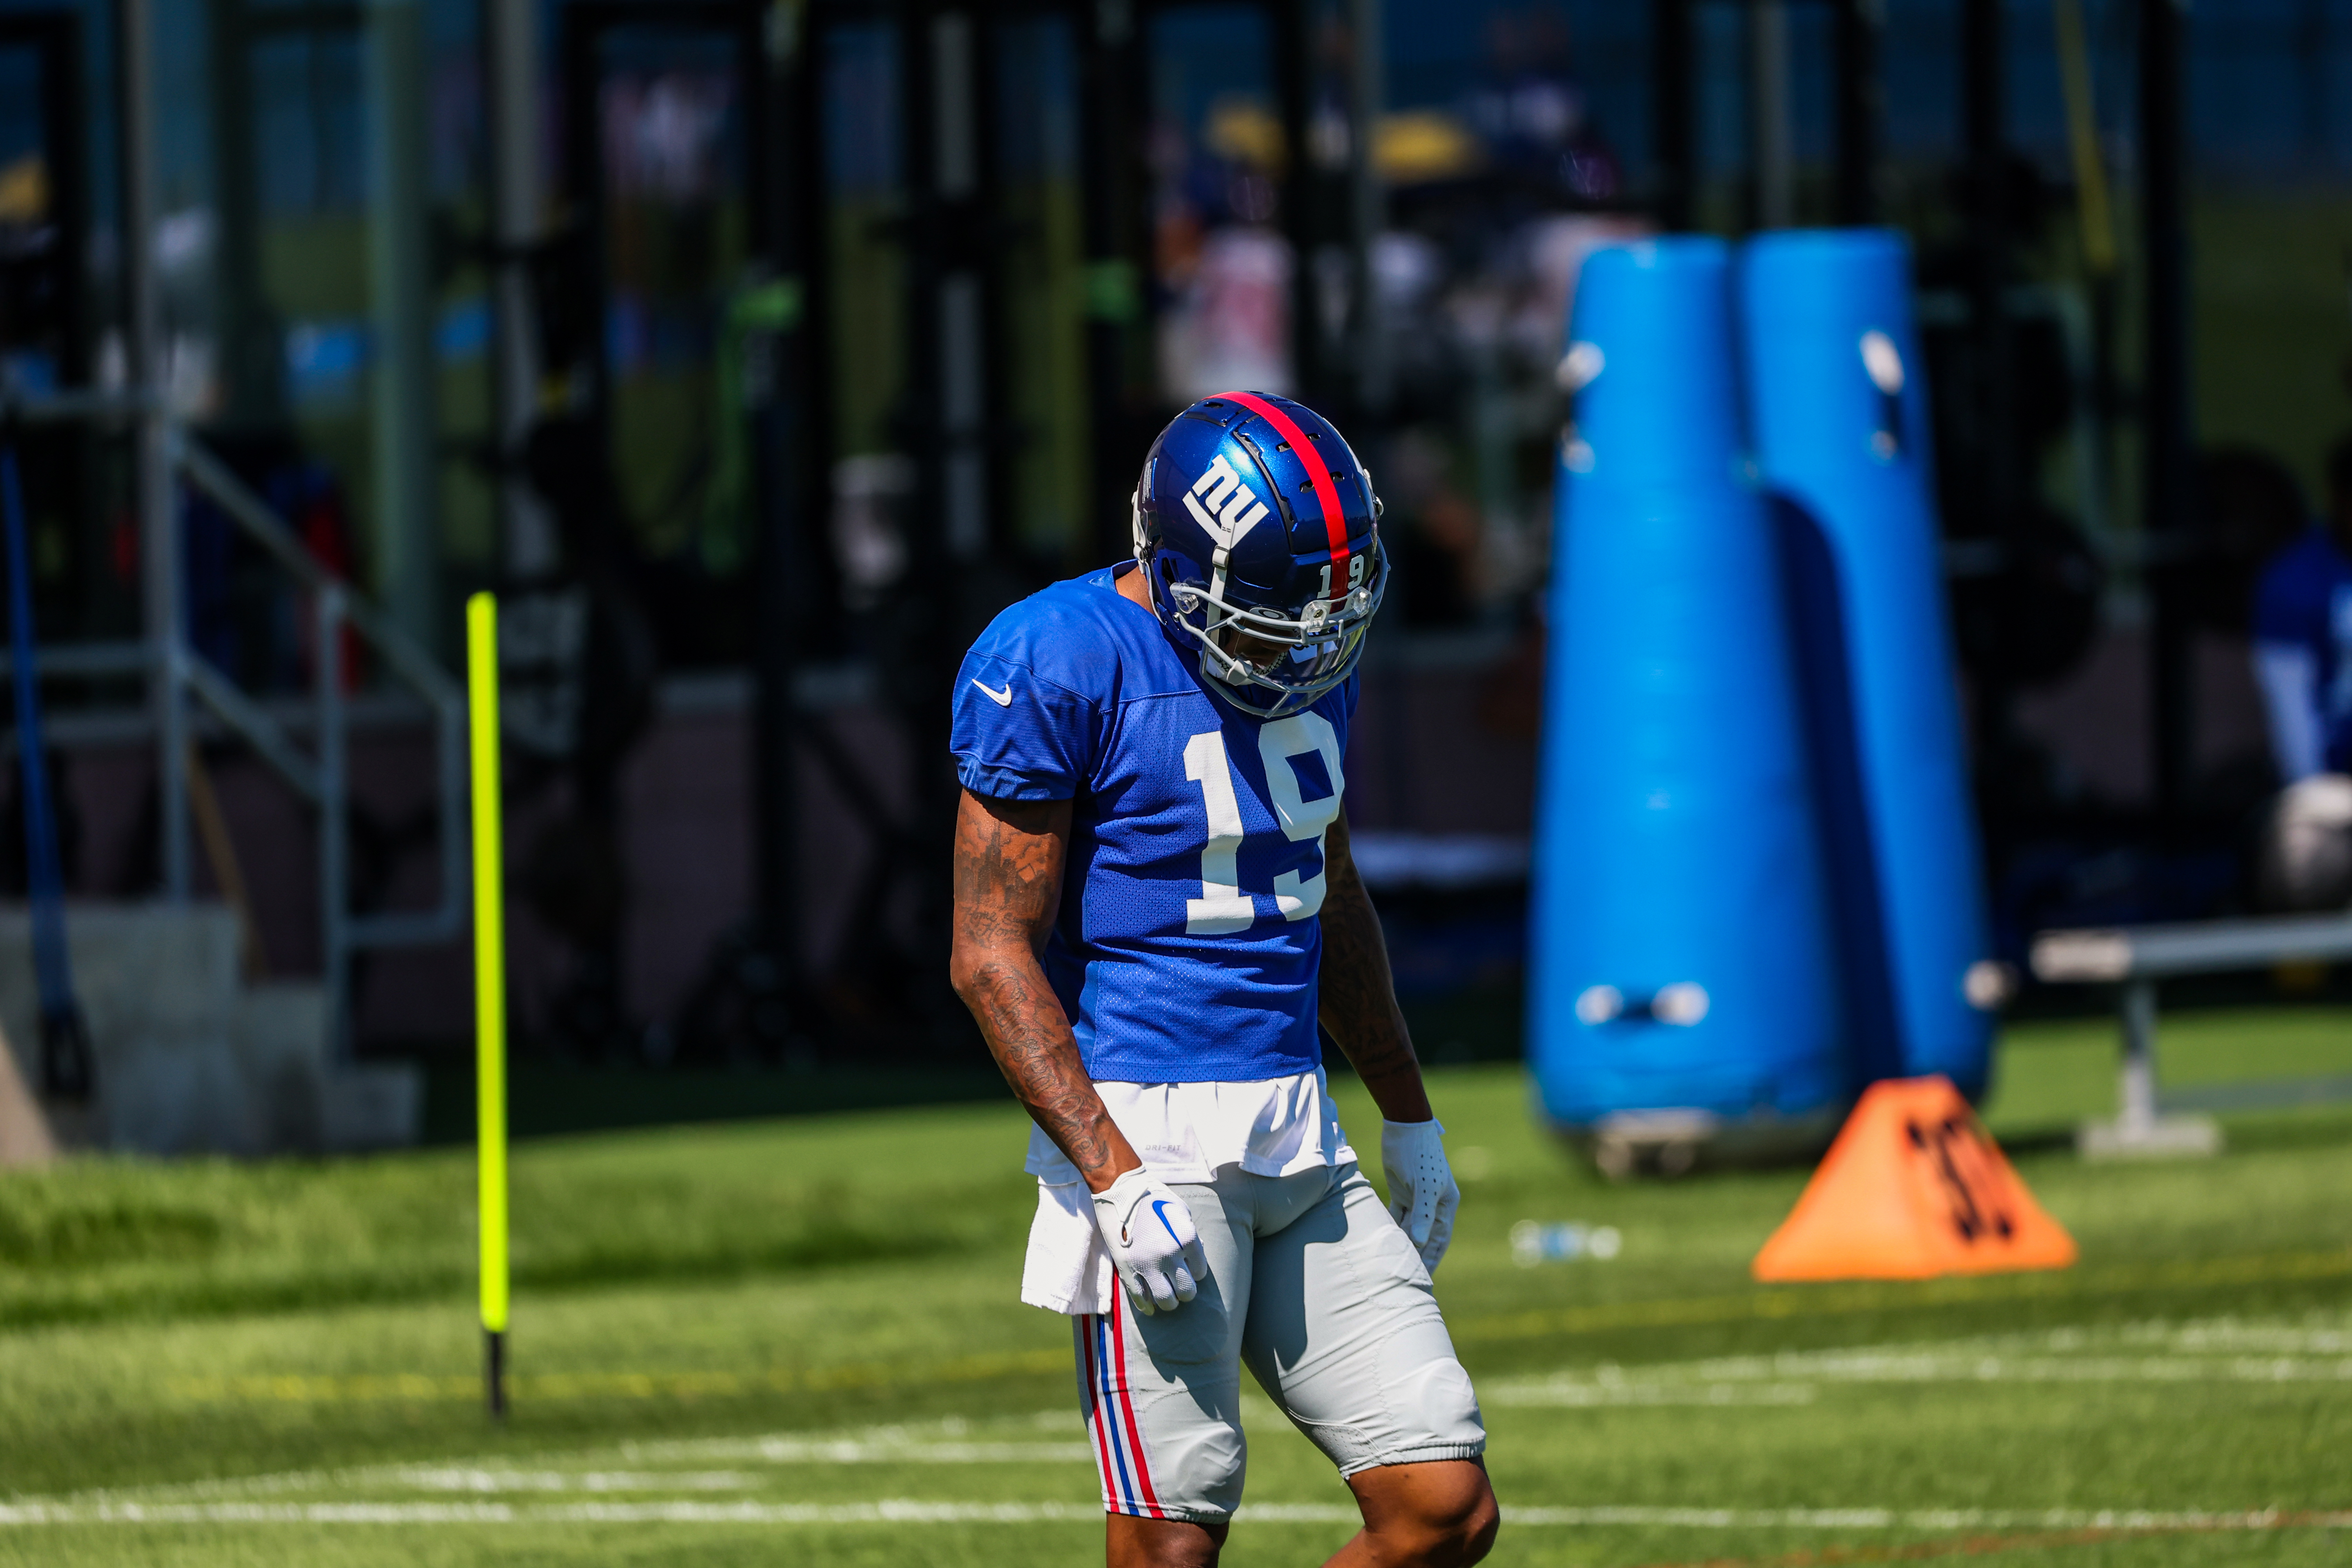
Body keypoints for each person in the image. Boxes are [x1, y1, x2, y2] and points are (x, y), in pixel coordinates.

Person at [948, 392, 1498, 1568]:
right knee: (1173, 1545)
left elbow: (1326, 890)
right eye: (1277, 603)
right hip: (1149, 1129)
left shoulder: (1304, 662)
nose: (1309, 635)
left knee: (1443, 1509)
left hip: (1299, 1129)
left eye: (1329, 598)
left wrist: (1407, 1112)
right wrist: (1110, 1173)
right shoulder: (1058, 654)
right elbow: (990, 949)